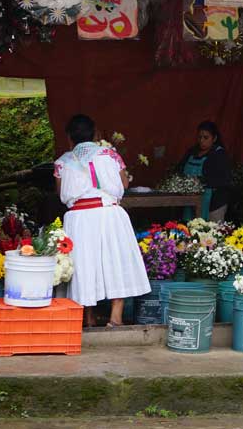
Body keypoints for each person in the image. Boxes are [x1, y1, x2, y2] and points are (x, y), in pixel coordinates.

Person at [54, 114, 150, 327]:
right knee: (116, 260)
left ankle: (88, 316)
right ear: (95, 134)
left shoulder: (62, 162)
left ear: (69, 138)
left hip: (78, 218)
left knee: (84, 265)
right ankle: (115, 317)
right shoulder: (110, 154)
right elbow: (124, 183)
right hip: (109, 213)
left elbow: (60, 192)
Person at [177, 120, 233, 221]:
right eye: (200, 137)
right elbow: (179, 169)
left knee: (210, 232)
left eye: (206, 137)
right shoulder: (192, 152)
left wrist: (200, 181)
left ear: (214, 138)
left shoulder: (219, 155)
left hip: (214, 204)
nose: (202, 140)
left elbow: (224, 180)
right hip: (191, 203)